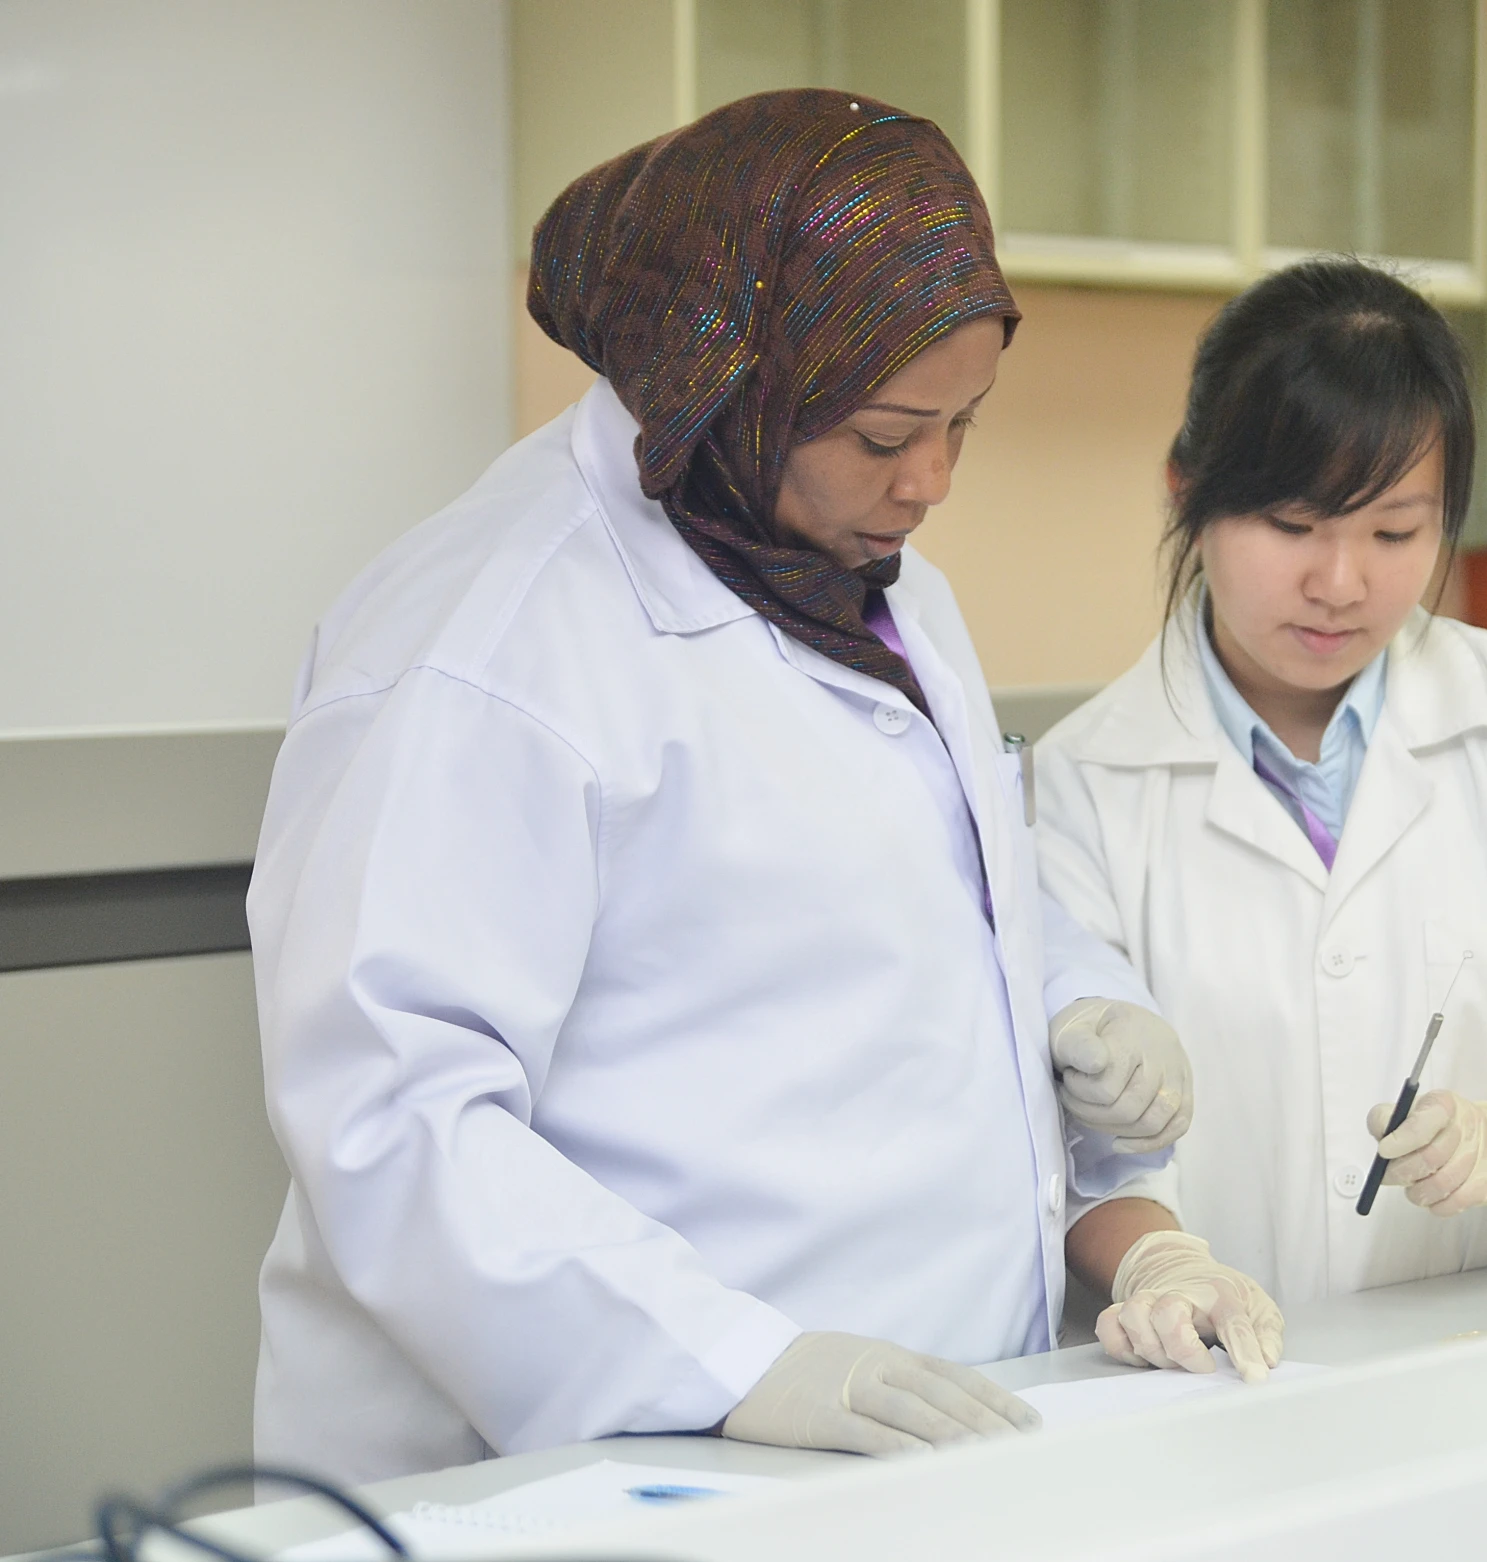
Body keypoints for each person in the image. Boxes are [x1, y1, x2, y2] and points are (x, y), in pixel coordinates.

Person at [247, 91, 1276, 1485]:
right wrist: (730, 1360)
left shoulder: (864, 581)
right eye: (878, 431)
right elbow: (394, 1119)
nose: (930, 482)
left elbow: (927, 895)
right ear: (718, 377)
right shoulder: (487, 649)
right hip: (624, 1456)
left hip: (917, 1432)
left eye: (962, 426)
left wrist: (1070, 996)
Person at [1033, 259, 1487, 1316]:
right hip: (1208, 1392)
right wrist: (1160, 1268)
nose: (1341, 582)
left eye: (1395, 531)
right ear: (1188, 491)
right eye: (1293, 525)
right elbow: (1067, 1141)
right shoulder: (1081, 788)